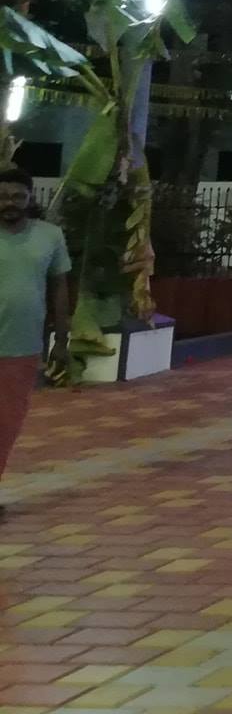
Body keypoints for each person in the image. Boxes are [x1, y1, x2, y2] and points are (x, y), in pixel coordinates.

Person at [0, 164, 68, 519]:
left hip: (22, 346)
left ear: (29, 198)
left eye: (18, 196)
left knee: (6, 423)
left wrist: (62, 340)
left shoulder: (50, 236)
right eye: (3, 196)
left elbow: (59, 289)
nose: (10, 202)